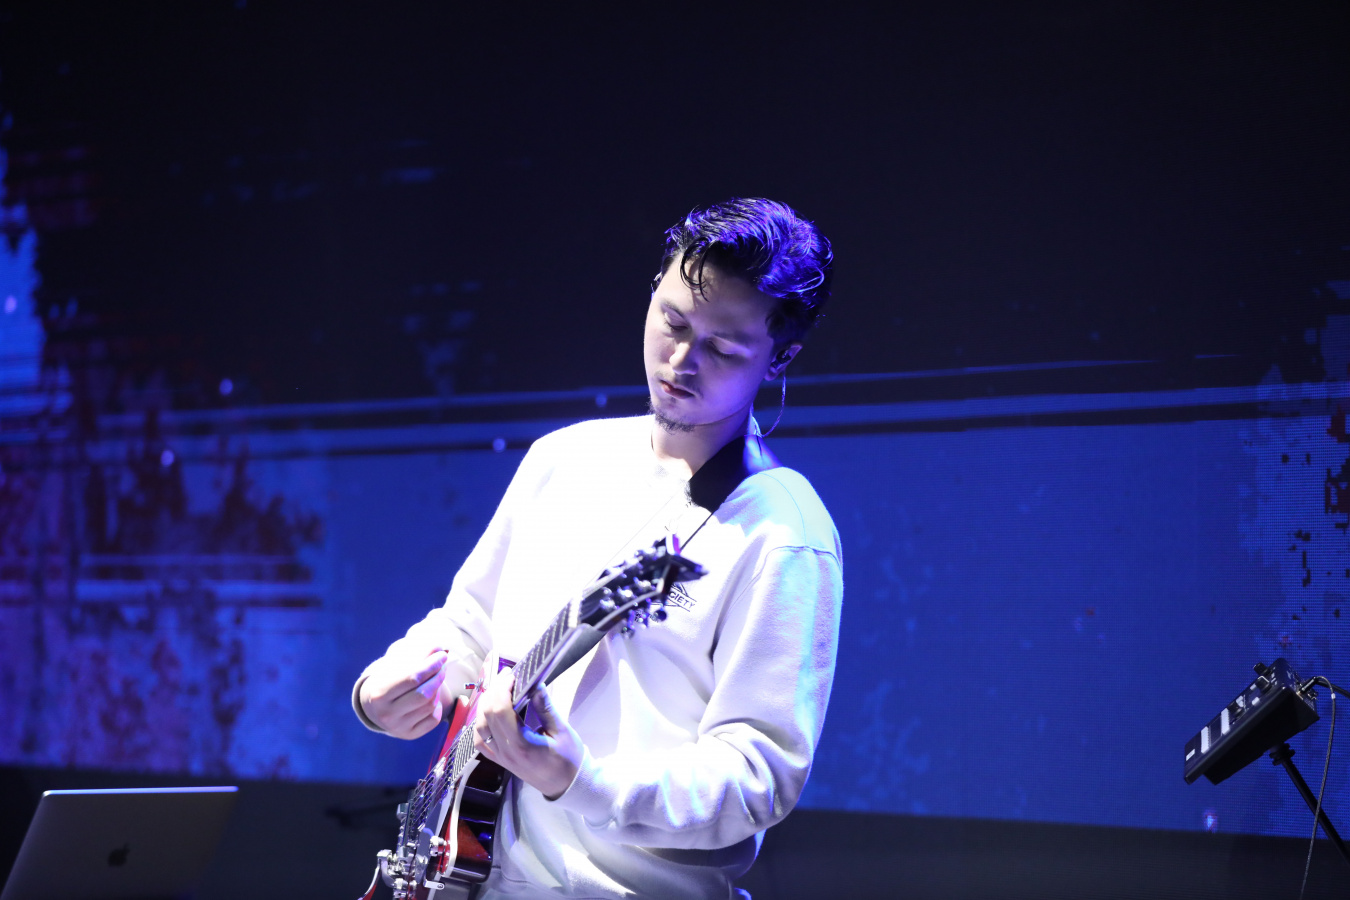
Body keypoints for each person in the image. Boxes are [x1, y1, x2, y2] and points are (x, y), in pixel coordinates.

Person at [353, 197, 843, 900]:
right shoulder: (564, 458)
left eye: (724, 348)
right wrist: (389, 687)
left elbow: (756, 777)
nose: (682, 360)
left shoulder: (783, 533)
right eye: (672, 321)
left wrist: (582, 780)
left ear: (781, 356)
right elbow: (471, 626)